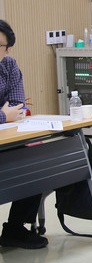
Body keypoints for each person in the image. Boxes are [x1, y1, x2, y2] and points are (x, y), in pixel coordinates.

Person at [0, 19, 48, 249]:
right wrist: (3, 115)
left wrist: (7, 114)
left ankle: (15, 227)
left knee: (37, 161)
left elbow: (18, 105)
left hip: (7, 136)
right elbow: (8, 113)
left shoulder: (9, 65)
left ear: (7, 50)